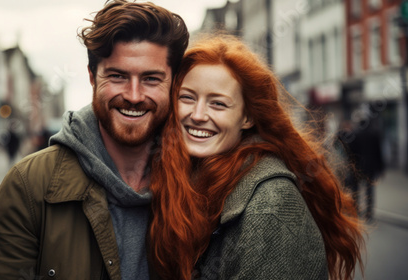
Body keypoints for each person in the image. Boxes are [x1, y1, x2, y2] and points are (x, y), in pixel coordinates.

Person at [0, 1, 188, 279]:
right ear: (92, 78)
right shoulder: (29, 185)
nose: (134, 95)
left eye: (151, 78)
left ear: (173, 83)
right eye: (118, 76)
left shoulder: (202, 181)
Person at [148, 35, 364, 280]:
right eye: (187, 97)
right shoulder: (179, 176)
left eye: (218, 104)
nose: (198, 115)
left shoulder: (271, 203)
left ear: (247, 118)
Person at [348, 117, 385, 222]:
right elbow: (379, 152)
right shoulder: (374, 134)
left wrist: (351, 166)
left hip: (358, 167)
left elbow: (351, 153)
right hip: (371, 167)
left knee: (356, 189)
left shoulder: (355, 134)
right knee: (369, 190)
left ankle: (355, 210)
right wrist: (381, 168)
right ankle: (369, 213)